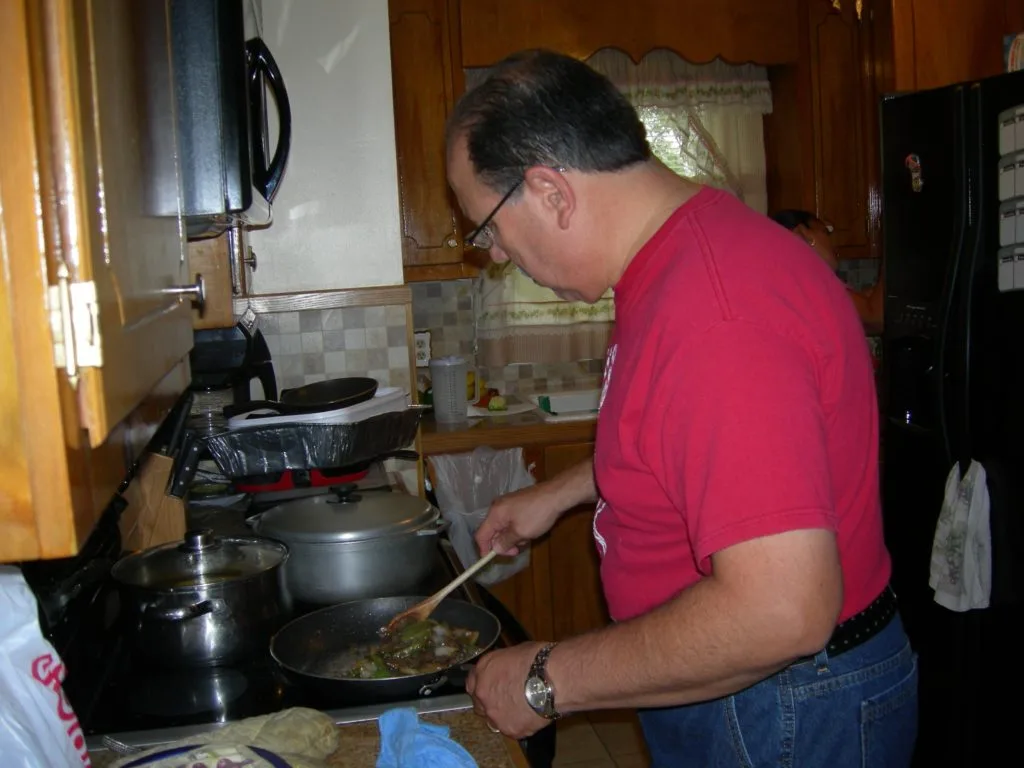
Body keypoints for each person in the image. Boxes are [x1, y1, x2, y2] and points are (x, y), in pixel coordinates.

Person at [446, 49, 917, 767]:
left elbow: (779, 611)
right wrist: (560, 493)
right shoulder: (681, 259)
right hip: (758, 694)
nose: (501, 256)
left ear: (550, 192)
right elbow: (679, 443)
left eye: (488, 229)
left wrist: (546, 680)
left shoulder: (714, 312)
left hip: (781, 705)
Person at [771, 209, 885, 333]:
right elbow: (878, 318)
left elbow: (862, 312)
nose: (833, 242)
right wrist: (893, 251)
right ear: (803, 234)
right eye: (825, 231)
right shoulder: (814, 284)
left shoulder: (798, 282)